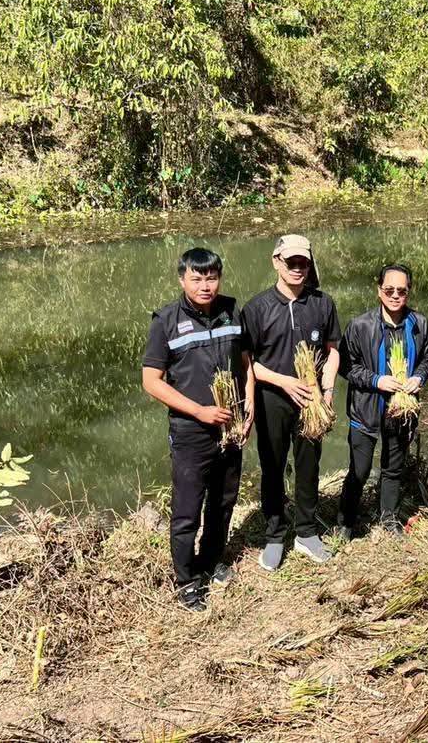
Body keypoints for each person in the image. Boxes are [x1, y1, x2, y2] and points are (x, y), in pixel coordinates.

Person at [141, 248, 254, 612]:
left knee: (223, 502)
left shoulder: (232, 311)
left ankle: (211, 561)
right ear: (182, 279)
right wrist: (199, 411)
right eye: (197, 278)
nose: (205, 286)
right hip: (192, 430)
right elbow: (151, 381)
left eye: (211, 278)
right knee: (188, 509)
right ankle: (187, 580)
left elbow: (246, 363)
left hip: (232, 426)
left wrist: (248, 407)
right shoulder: (166, 321)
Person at [242, 234, 342, 571]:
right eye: (291, 262)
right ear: (276, 262)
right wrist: (284, 381)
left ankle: (306, 532)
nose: (298, 268)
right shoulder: (256, 308)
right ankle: (274, 534)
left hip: (312, 399)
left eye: (303, 262)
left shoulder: (322, 303)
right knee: (272, 466)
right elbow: (248, 362)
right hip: (273, 398)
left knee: (309, 463)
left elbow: (332, 350)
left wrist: (326, 391)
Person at [334, 264, 428, 539]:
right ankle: (346, 521)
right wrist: (377, 380)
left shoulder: (419, 324)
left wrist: (419, 379)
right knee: (360, 470)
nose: (395, 295)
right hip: (365, 411)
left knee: (393, 468)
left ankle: (388, 519)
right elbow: (346, 367)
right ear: (379, 290)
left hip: (401, 413)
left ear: (408, 292)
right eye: (389, 290)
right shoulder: (360, 325)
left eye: (402, 290)